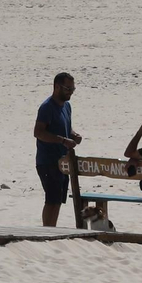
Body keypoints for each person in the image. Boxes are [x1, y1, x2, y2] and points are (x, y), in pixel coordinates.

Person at [34, 72, 82, 226]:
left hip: (63, 162)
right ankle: (47, 230)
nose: (70, 92)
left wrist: (74, 135)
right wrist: (62, 140)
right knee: (51, 200)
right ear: (56, 87)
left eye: (72, 89)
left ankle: (51, 229)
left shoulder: (67, 106)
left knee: (59, 200)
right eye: (68, 89)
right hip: (48, 161)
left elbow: (65, 126)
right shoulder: (47, 107)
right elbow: (38, 132)